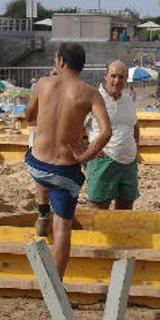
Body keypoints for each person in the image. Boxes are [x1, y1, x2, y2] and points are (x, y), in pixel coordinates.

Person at [24, 43, 113, 279]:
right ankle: (56, 285)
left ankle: (43, 210)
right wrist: (85, 156)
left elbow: (28, 116)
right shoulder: (90, 93)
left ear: (61, 61)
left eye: (56, 60)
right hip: (64, 171)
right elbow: (106, 132)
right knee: (63, 227)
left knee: (37, 162)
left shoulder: (43, 84)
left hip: (37, 164)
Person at [85, 60, 140, 211]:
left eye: (121, 77)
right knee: (97, 207)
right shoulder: (94, 98)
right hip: (103, 161)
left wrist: (136, 150)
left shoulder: (128, 99)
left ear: (126, 78)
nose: (117, 81)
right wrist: (88, 152)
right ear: (106, 75)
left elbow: (135, 126)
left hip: (129, 163)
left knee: (125, 208)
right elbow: (77, 129)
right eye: (113, 76)